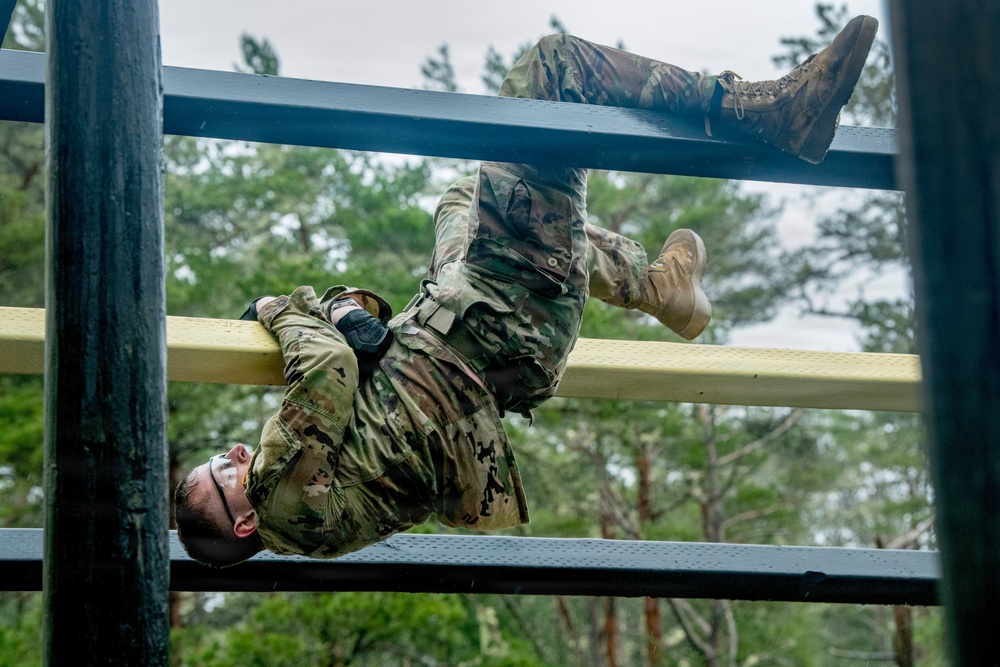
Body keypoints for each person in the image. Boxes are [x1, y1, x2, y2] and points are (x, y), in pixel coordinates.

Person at [174, 16, 879, 567]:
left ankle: (660, 289)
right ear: (242, 521)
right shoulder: (278, 496)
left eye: (222, 456)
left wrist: (342, 313)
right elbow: (326, 364)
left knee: (462, 197)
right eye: (221, 471)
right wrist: (280, 308)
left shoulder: (316, 516)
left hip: (489, 332)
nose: (235, 454)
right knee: (553, 67)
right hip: (504, 313)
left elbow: (361, 363)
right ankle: (760, 109)